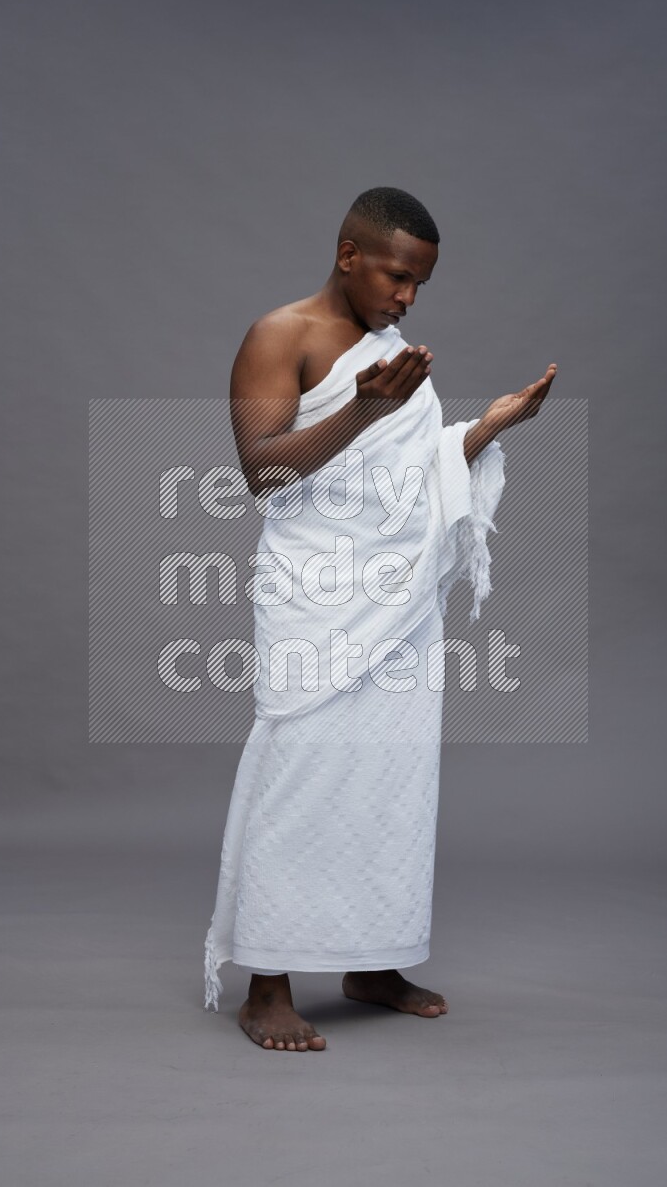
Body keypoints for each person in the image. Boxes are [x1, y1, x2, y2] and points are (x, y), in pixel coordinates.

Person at [203, 187, 556, 1051]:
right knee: (303, 772)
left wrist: (484, 431)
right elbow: (262, 477)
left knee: (392, 780)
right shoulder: (277, 336)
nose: (406, 300)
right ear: (349, 253)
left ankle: (372, 959)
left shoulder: (392, 350)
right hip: (312, 593)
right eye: (399, 276)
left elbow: (409, 473)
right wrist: (361, 410)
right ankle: (269, 982)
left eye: (420, 286)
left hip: (395, 603)